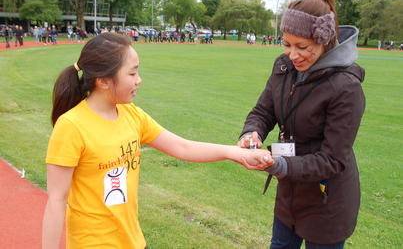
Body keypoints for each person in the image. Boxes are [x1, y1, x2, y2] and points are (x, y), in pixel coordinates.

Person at [42, 33, 273, 249]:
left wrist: (235, 152)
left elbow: (182, 146)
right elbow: (56, 202)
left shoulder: (132, 115)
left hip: (133, 242)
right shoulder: (71, 126)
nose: (139, 80)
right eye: (132, 74)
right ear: (103, 81)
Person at [237, 0, 365, 249]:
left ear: (324, 40)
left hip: (327, 201)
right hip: (289, 195)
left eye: (302, 47)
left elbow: (333, 159)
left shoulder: (346, 87)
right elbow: (263, 111)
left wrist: (280, 166)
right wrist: (252, 132)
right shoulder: (284, 68)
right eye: (287, 44)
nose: (292, 55)